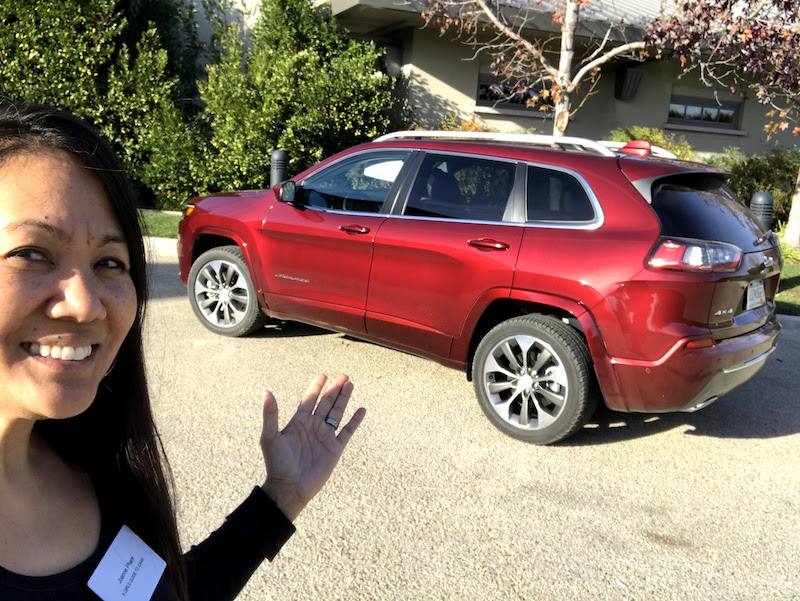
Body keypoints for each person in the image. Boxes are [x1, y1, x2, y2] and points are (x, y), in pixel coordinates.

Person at [0, 101, 366, 600]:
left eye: (110, 262)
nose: (85, 306)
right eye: (32, 253)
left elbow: (165, 591)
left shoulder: (87, 458)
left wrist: (279, 499)